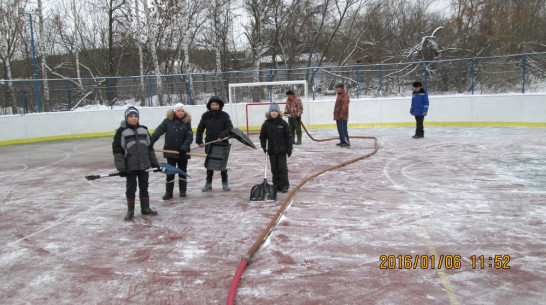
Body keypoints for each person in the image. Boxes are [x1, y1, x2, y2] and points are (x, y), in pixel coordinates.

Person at [113, 106, 159, 221]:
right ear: (126, 118)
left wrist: (154, 163)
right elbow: (118, 152)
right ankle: (130, 211)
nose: (134, 119)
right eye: (131, 117)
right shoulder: (122, 132)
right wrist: (121, 168)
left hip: (144, 165)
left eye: (135, 116)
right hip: (130, 167)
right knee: (131, 188)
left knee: (144, 187)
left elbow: (150, 149)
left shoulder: (143, 130)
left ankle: (145, 208)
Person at [151, 103, 193, 200]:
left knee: (182, 171)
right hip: (170, 152)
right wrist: (150, 143)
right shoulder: (167, 121)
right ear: (174, 111)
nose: (181, 113)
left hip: (183, 152)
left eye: (182, 111)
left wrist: (184, 147)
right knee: (170, 172)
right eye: (179, 111)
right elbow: (158, 132)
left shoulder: (186, 122)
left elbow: (189, 137)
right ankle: (168, 192)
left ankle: (183, 191)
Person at [196, 96, 233, 192]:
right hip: (210, 143)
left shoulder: (225, 115)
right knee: (210, 165)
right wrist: (199, 141)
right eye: (212, 105)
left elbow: (229, 128)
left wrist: (222, 136)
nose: (214, 106)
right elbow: (200, 129)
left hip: (223, 143)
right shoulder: (205, 116)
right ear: (210, 105)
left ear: (220, 105)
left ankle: (225, 183)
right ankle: (208, 183)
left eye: (216, 105)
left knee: (223, 165)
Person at [259, 102, 293, 193]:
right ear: (269, 113)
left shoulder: (283, 123)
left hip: (282, 151)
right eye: (272, 111)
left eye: (275, 111)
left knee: (282, 168)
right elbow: (262, 137)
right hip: (271, 151)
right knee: (274, 168)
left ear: (278, 112)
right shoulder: (266, 124)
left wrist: (289, 148)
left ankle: (284, 185)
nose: (274, 113)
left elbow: (288, 137)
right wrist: (264, 147)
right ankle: (276, 185)